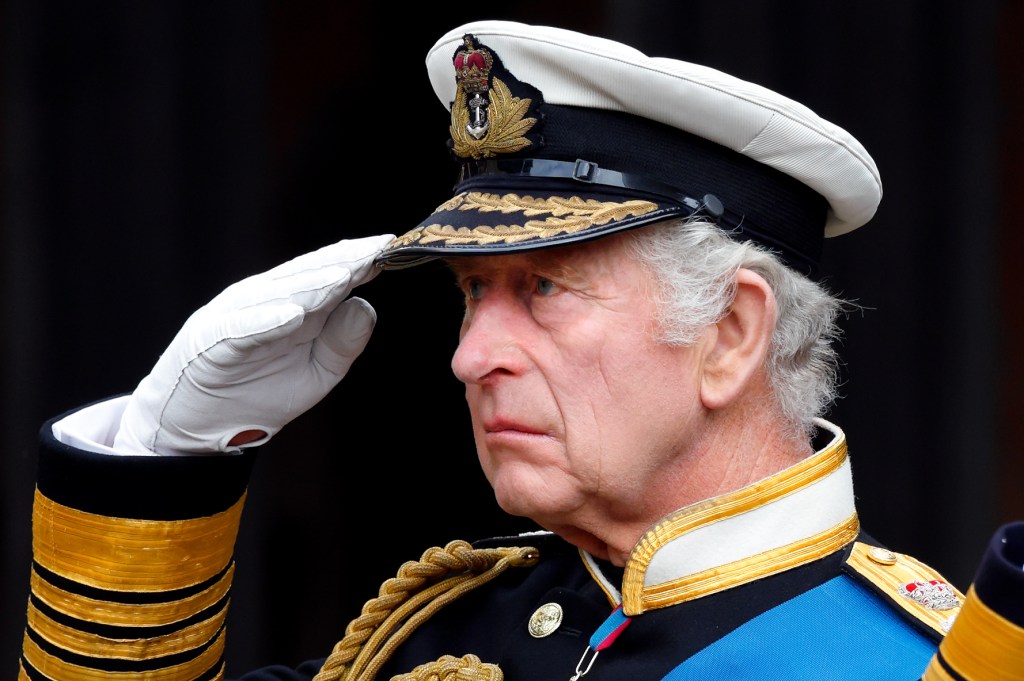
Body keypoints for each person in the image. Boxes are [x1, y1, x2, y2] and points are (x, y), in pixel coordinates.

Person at [17, 19, 1023, 681]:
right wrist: (154, 462)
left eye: (542, 289)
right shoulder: (423, 641)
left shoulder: (910, 662)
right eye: (471, 297)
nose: (469, 358)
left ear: (730, 333)